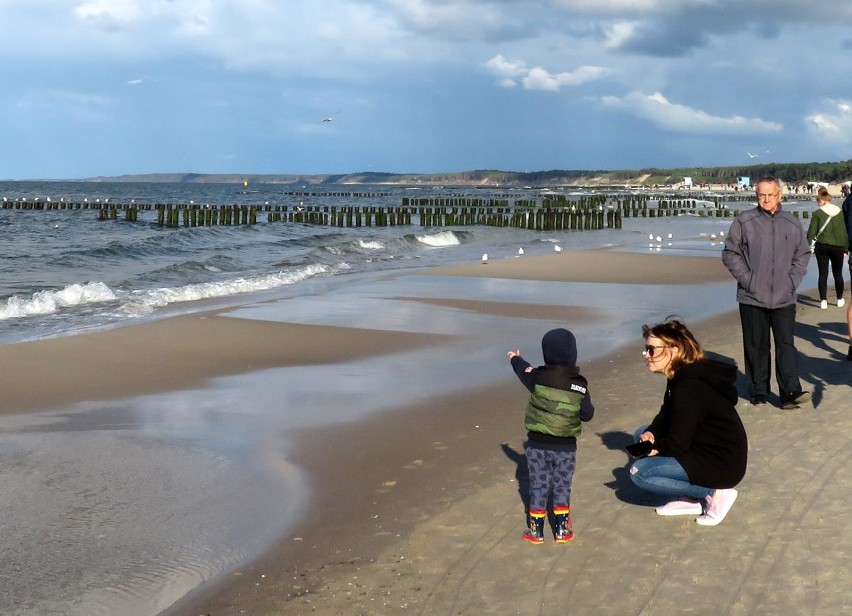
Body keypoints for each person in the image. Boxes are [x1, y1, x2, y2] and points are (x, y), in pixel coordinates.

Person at [629, 319, 748, 526]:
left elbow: (678, 444)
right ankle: (693, 499)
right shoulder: (679, 375)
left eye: (651, 349)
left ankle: (713, 493)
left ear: (673, 350)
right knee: (640, 433)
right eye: (646, 349)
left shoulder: (688, 387)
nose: (647, 355)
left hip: (721, 462)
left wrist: (655, 448)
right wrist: (652, 433)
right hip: (703, 446)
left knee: (640, 473)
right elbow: (667, 412)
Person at [721, 176, 812, 409]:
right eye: (762, 195)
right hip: (752, 296)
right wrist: (748, 280)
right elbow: (730, 253)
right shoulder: (744, 221)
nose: (766, 199)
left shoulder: (791, 223)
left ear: (780, 195)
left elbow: (802, 254)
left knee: (785, 345)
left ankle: (790, 392)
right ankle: (759, 391)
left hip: (784, 296)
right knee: (756, 345)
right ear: (756, 195)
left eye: (771, 194)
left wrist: (792, 281)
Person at [507, 328, 594, 544]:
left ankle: (536, 532)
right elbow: (587, 414)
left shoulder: (538, 377)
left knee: (538, 484)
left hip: (537, 445)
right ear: (573, 353)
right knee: (562, 485)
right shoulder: (580, 384)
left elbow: (523, 370)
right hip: (566, 447)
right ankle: (562, 530)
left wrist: (515, 358)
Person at [807, 187, 848, 309]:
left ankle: (823, 301)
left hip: (822, 246)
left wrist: (808, 245)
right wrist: (846, 248)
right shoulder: (840, 212)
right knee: (838, 274)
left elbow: (811, 233)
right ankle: (839, 299)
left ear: (821, 201)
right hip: (838, 247)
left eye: (817, 202)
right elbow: (844, 232)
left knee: (822, 274)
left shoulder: (817, 214)